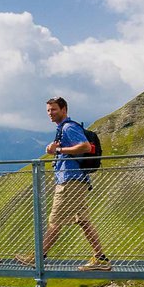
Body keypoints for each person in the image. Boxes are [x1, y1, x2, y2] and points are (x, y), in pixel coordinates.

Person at [22, 96, 110, 271]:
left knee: (55, 220)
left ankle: (38, 258)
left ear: (64, 109)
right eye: (48, 110)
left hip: (70, 179)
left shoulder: (69, 127)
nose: (50, 113)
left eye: (53, 109)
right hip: (76, 179)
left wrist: (59, 150)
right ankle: (100, 259)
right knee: (83, 220)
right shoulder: (63, 129)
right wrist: (54, 150)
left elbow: (85, 147)